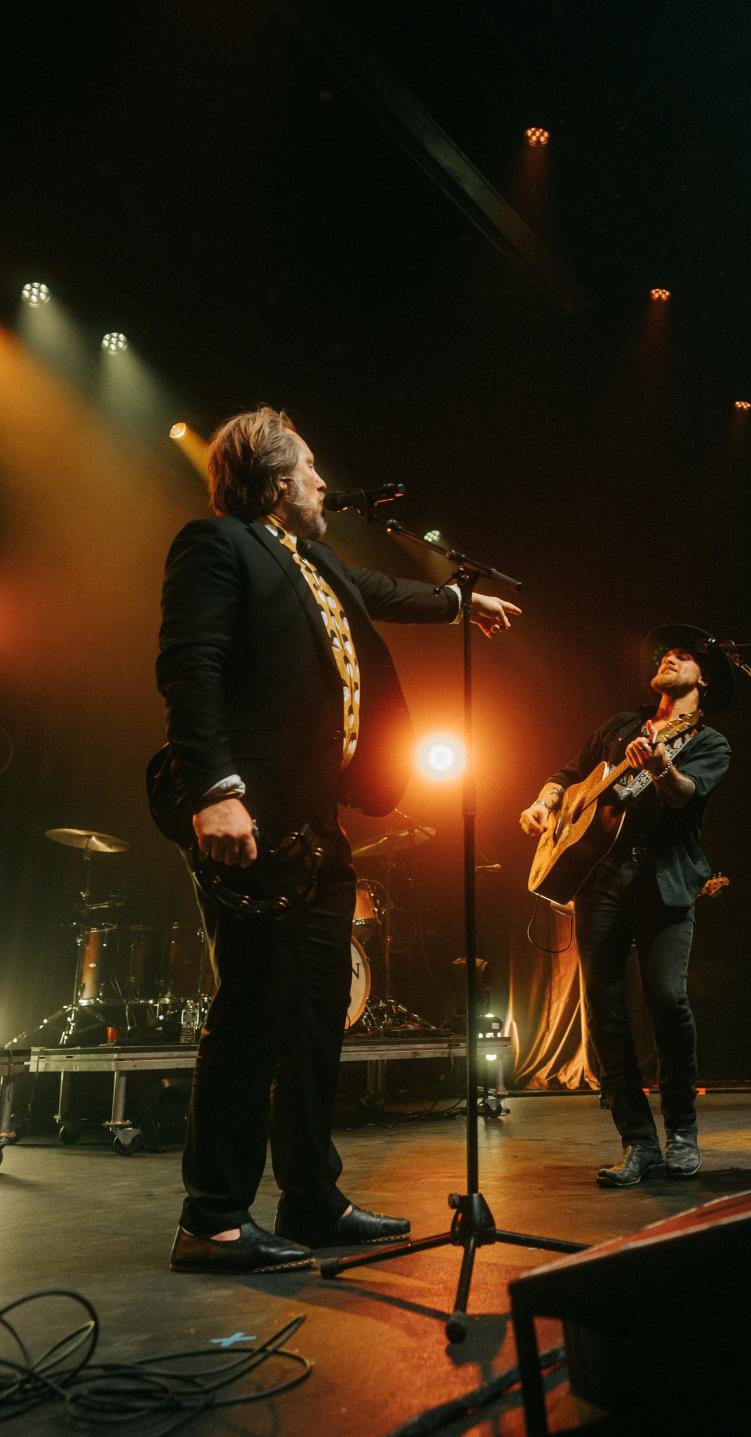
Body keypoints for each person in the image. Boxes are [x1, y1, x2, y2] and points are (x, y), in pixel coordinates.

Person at [154, 406, 520, 1273]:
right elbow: (190, 663)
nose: (324, 480)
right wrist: (215, 789)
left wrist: (461, 600)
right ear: (276, 480)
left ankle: (312, 1200)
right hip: (250, 813)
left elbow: (384, 592)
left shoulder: (312, 560)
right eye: (311, 467)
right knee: (253, 1010)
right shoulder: (217, 546)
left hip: (318, 825)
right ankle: (211, 1218)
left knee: (318, 1016)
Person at [519, 626, 732, 1185]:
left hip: (664, 879)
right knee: (606, 1012)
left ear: (702, 680)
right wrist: (544, 801)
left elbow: (686, 796)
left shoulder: (708, 741)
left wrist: (660, 767)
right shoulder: (620, 724)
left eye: (683, 657)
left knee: (666, 998)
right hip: (601, 878)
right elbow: (569, 775)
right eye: (666, 653)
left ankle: (682, 1131)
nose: (669, 658)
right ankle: (637, 1142)